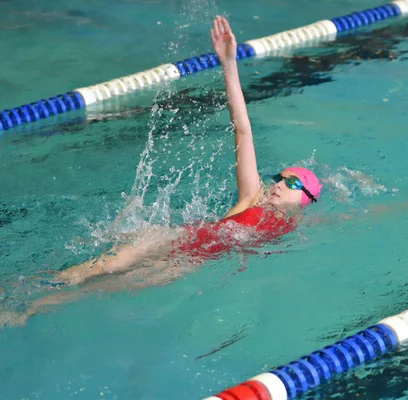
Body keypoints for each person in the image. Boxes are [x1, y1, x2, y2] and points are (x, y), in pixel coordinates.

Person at [1, 16, 322, 328]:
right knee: (87, 271)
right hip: (171, 240)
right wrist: (228, 64)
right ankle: (13, 287)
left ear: (306, 198)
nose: (279, 183)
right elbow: (243, 130)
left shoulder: (294, 228)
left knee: (98, 290)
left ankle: (25, 310)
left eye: (291, 181)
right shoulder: (253, 198)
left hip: (188, 264)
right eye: (279, 177)